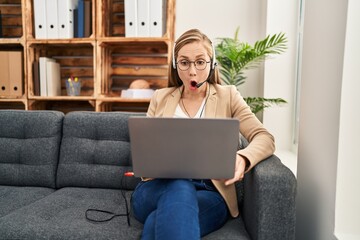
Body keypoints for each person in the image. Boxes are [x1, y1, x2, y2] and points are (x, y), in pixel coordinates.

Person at [131, 29, 275, 240]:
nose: (192, 71)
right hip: (156, 188)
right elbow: (147, 151)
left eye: (200, 62)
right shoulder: (160, 98)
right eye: (184, 62)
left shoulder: (228, 96)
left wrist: (243, 157)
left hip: (209, 191)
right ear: (175, 65)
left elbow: (265, 137)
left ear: (211, 63)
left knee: (156, 223)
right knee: (179, 187)